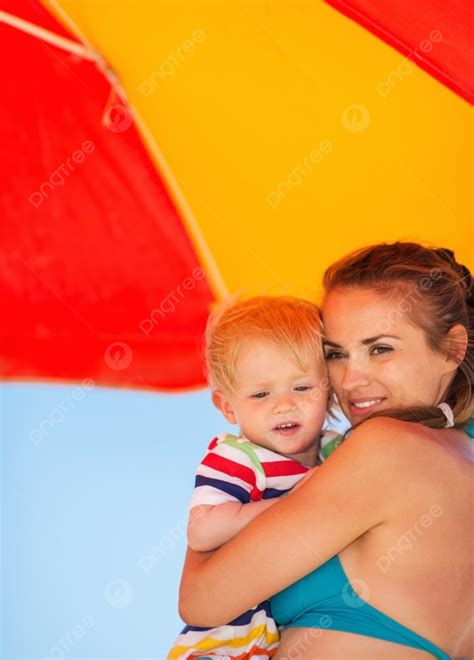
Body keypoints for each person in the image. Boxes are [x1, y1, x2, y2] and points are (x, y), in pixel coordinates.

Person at [178, 243, 474, 659]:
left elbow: (201, 600)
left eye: (380, 348)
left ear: (452, 348)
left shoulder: (386, 448)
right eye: (335, 354)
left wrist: (240, 460)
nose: (350, 379)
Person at [168, 296, 343, 658]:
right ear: (227, 406)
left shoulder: (336, 452)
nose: (284, 404)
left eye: (303, 387)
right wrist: (288, 505)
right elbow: (201, 529)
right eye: (261, 393)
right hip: (224, 642)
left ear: (329, 389)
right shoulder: (240, 457)